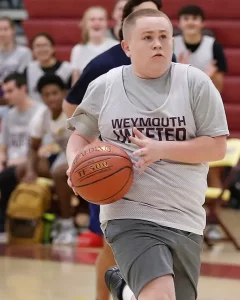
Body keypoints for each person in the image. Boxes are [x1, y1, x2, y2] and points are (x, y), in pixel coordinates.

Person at [66, 8, 229, 300]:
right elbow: (79, 135)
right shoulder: (105, 86)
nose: (158, 44)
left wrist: (162, 149)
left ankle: (125, 291)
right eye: (148, 37)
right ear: (127, 46)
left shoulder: (196, 84)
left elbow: (217, 147)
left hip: (185, 214)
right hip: (128, 213)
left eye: (164, 37)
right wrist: (74, 164)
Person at [63, 1, 171, 300]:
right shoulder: (103, 64)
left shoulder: (173, 68)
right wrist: (94, 147)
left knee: (162, 250)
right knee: (112, 247)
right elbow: (70, 107)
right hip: (112, 171)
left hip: (158, 173)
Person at [22, 74, 76, 244]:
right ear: (42, 97)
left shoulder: (74, 110)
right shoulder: (42, 115)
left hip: (86, 151)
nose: (51, 97)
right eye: (47, 94)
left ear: (64, 93)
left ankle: (68, 224)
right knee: (22, 170)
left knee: (59, 173)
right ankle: (44, 221)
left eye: (55, 93)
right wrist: (30, 171)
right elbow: (33, 148)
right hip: (65, 153)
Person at [0, 72, 41, 234]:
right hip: (10, 162)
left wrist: (19, 160)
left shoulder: (40, 111)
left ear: (23, 88)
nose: (6, 96)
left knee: (7, 176)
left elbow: (47, 147)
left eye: (10, 91)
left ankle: (4, 224)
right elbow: (3, 147)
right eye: (5, 92)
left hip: (31, 161)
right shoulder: (9, 115)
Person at [174, 5, 227, 93]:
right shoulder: (170, 44)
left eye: (195, 18)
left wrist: (210, 77)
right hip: (177, 96)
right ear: (179, 24)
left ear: (203, 23)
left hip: (205, 97)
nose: (190, 22)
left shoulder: (214, 46)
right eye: (186, 19)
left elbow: (219, 87)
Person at [70, 6, 118, 84]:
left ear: (106, 23)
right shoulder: (78, 49)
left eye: (101, 19)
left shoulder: (116, 47)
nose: (97, 23)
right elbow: (75, 83)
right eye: (92, 19)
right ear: (85, 23)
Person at [24, 33, 72, 103]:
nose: (42, 49)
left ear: (53, 48)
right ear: (33, 51)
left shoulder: (68, 69)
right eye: (38, 46)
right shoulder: (28, 69)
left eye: (45, 45)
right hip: (36, 112)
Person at [0, 17, 32, 118]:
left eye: (5, 29)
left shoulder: (24, 53)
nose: (2, 33)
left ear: (13, 31)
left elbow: (21, 79)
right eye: (0, 30)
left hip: (16, 100)